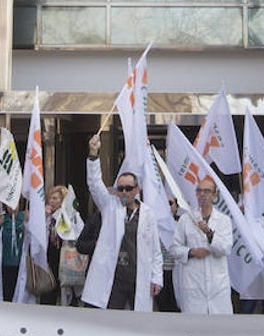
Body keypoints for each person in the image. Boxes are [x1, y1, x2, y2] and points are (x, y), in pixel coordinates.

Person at [83, 135, 162, 311]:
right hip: (114, 277)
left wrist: (156, 278)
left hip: (137, 276)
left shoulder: (147, 214)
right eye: (120, 189)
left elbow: (155, 250)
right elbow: (95, 184)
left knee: (136, 323)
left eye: (128, 189)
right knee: (111, 320)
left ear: (137, 190)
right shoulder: (109, 206)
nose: (124, 192)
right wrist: (94, 154)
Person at [170, 177, 233, 315]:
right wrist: (191, 252)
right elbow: (174, 249)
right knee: (194, 330)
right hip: (194, 286)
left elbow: (225, 248)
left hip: (218, 287)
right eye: (199, 191)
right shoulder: (186, 219)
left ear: (214, 195)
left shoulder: (224, 221)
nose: (202, 194)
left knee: (219, 331)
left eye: (207, 191)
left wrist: (209, 233)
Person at [0, 203, 24, 302]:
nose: (12, 208)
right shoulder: (2, 219)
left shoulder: (24, 218)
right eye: (9, 205)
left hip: (20, 263)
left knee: (19, 293)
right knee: (6, 293)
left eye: (15, 204)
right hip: (5, 262)